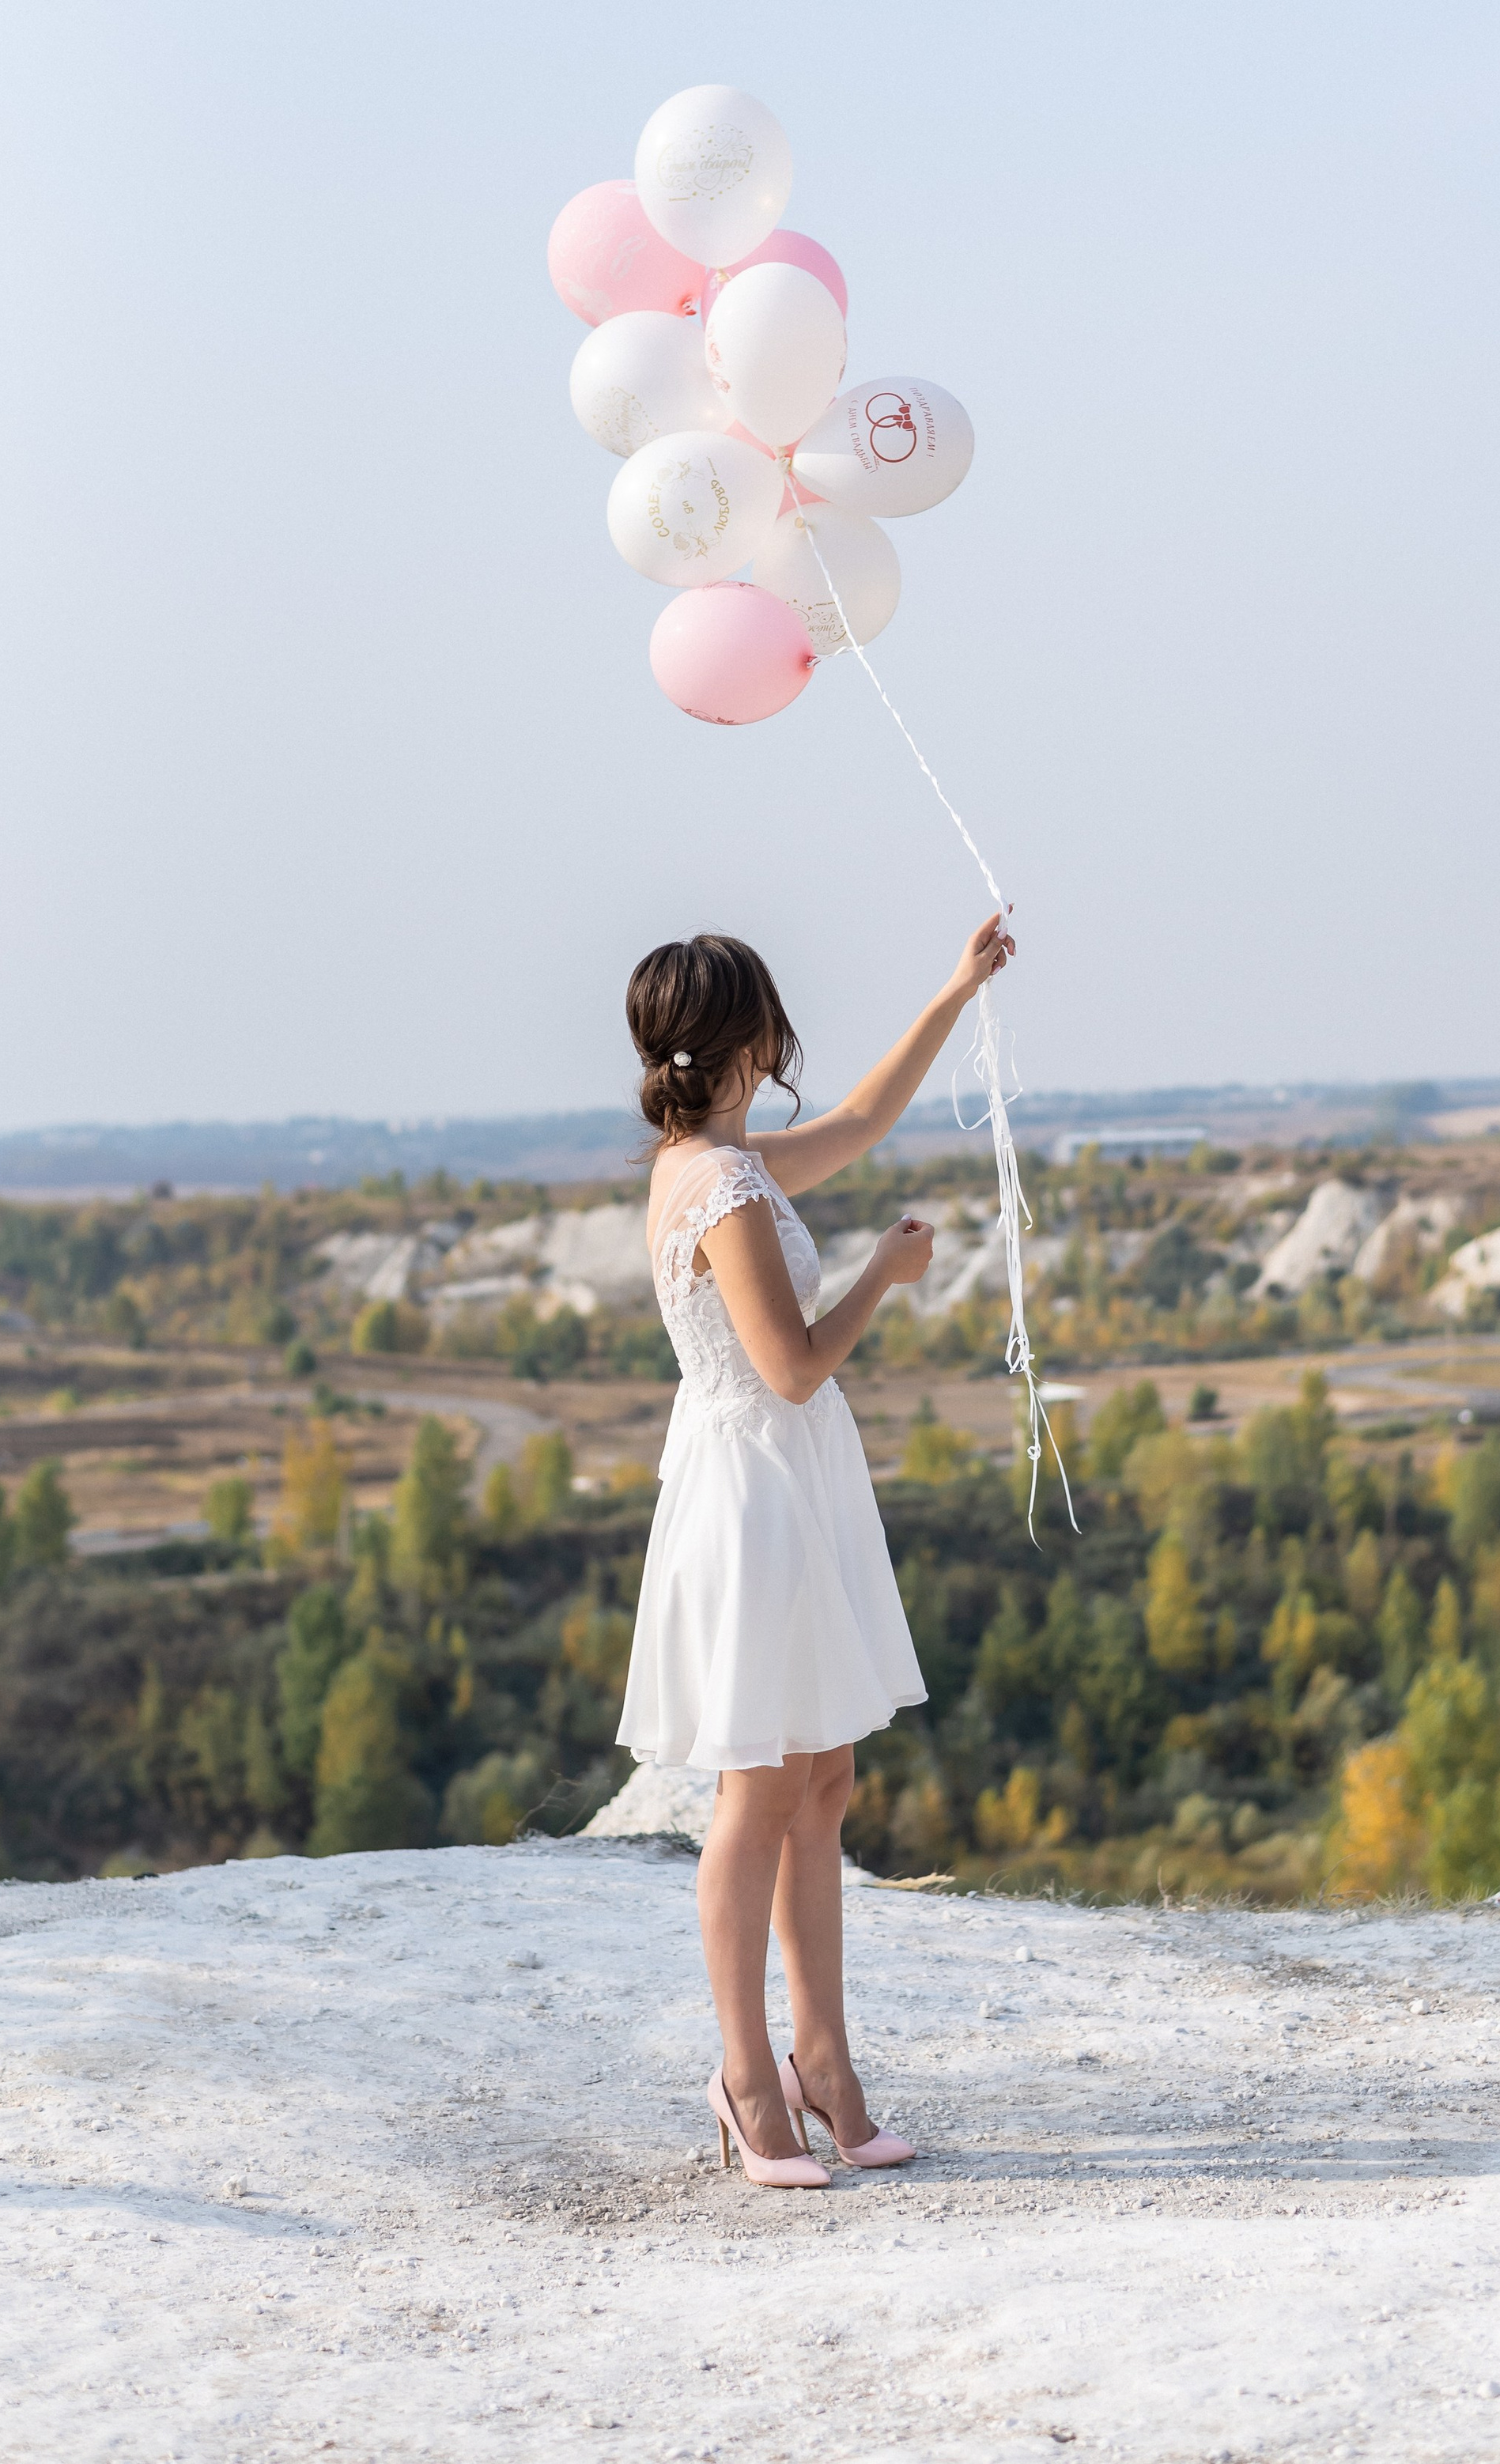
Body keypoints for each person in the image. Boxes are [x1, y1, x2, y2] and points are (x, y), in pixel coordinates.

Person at [618, 914, 1014, 2189]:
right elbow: (789, 1370)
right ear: (745, 1036)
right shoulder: (722, 1186)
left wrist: (954, 989)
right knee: (762, 1791)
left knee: (823, 1777)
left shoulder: (719, 1158)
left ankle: (825, 2064)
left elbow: (860, 1121)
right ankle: (750, 2081)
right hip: (761, 1489)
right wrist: (886, 1280)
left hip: (784, 1484)